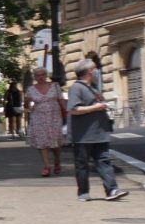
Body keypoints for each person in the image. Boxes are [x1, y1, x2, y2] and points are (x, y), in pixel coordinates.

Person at [67, 61, 124, 201]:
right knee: (82, 165)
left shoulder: (94, 88)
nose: (98, 71)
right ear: (90, 71)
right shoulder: (76, 88)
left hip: (100, 133)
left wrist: (102, 106)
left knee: (104, 161)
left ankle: (112, 190)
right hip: (83, 135)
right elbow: (73, 109)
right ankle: (83, 192)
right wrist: (96, 108)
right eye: (95, 69)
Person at [25, 67, 67, 176]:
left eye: (42, 74)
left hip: (54, 116)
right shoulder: (31, 89)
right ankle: (47, 166)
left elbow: (61, 99)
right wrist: (30, 106)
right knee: (42, 142)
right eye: (38, 75)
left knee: (55, 142)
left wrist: (67, 112)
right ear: (35, 77)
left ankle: (57, 160)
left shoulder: (55, 86)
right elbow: (26, 102)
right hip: (38, 117)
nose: (40, 77)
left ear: (46, 75)